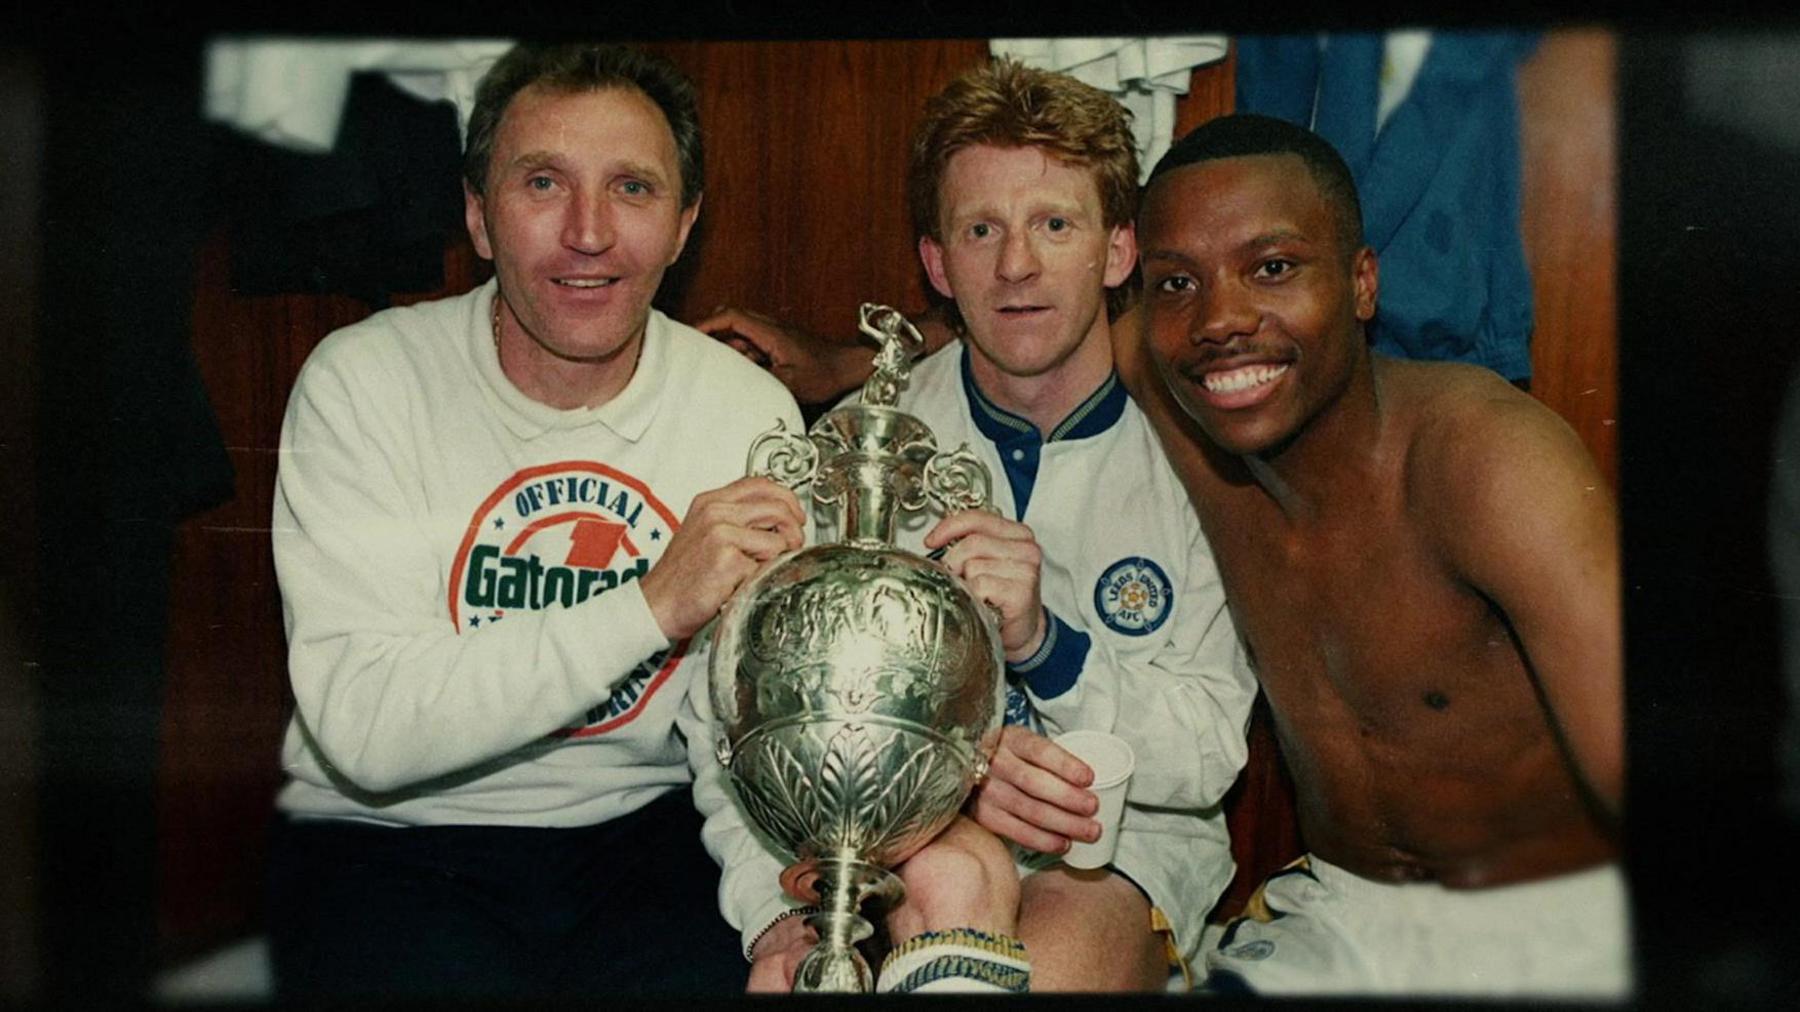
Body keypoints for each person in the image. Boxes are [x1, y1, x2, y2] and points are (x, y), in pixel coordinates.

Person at [701, 58, 1257, 993]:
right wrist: (774, 913)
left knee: (1053, 961)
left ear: (1119, 250)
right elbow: (727, 710)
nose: (1016, 265)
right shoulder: (853, 453)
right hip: (884, 839)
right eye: (981, 229)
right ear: (935, 262)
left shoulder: (1201, 459)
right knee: (925, 891)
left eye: (1054, 224)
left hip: (1110, 848)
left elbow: (1208, 752)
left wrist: (1047, 647)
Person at [264, 42, 807, 999]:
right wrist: (650, 605)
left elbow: (735, 729)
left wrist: (772, 913)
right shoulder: (362, 382)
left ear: (683, 227)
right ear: (478, 215)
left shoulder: (744, 412)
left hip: (641, 833)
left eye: (633, 188)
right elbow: (366, 727)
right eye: (544, 182)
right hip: (393, 840)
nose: (588, 232)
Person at [1118, 112, 1628, 998]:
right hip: (1350, 920)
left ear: (1361, 284)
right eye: (1175, 285)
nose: (1220, 319)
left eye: (1272, 268)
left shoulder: (1484, 461)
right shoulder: (1185, 405)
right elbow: (1034, 334)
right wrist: (848, 361)